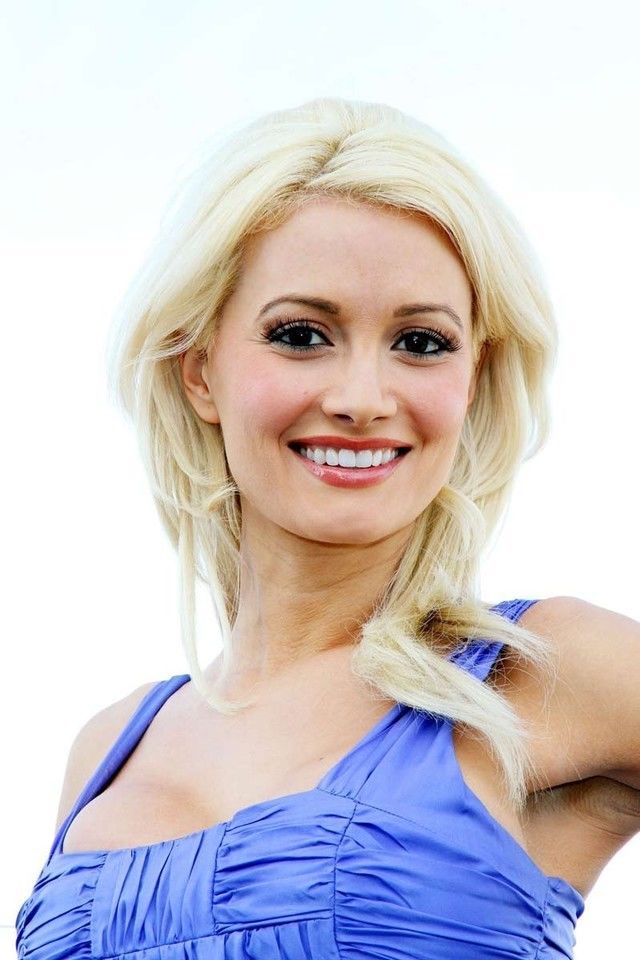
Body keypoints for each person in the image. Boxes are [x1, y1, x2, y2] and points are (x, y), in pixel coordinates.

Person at [15, 97, 640, 960]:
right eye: (302, 334)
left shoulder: (544, 673)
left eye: (422, 343)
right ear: (200, 371)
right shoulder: (107, 750)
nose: (362, 399)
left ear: (472, 378)